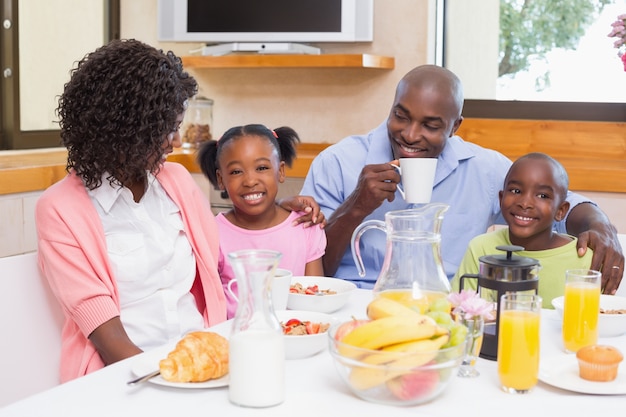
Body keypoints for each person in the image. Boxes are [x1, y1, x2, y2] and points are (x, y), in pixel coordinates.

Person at [35, 39, 323, 382]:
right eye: (166, 129)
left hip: (206, 356)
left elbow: (220, 256)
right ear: (127, 128)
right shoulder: (59, 209)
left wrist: (278, 208)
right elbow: (105, 335)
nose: (174, 141)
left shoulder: (176, 181)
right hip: (127, 376)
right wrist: (175, 377)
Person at [301, 64, 624, 294]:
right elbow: (308, 269)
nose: (410, 135)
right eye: (401, 116)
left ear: (455, 127)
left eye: (430, 125)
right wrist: (356, 207)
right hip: (353, 301)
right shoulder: (339, 161)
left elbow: (558, 203)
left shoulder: (483, 167)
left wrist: (599, 225)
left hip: (451, 307)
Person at [197, 124, 327, 318]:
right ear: (221, 179)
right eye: (235, 172)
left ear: (280, 171)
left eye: (262, 168)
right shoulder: (212, 234)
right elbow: (209, 310)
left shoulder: (305, 226)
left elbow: (315, 302)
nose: (250, 181)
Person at [451, 153, 593, 308]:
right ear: (501, 198)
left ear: (561, 210)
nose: (525, 203)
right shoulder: (480, 247)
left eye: (542, 195)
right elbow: (461, 310)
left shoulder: (584, 258)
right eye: (516, 191)